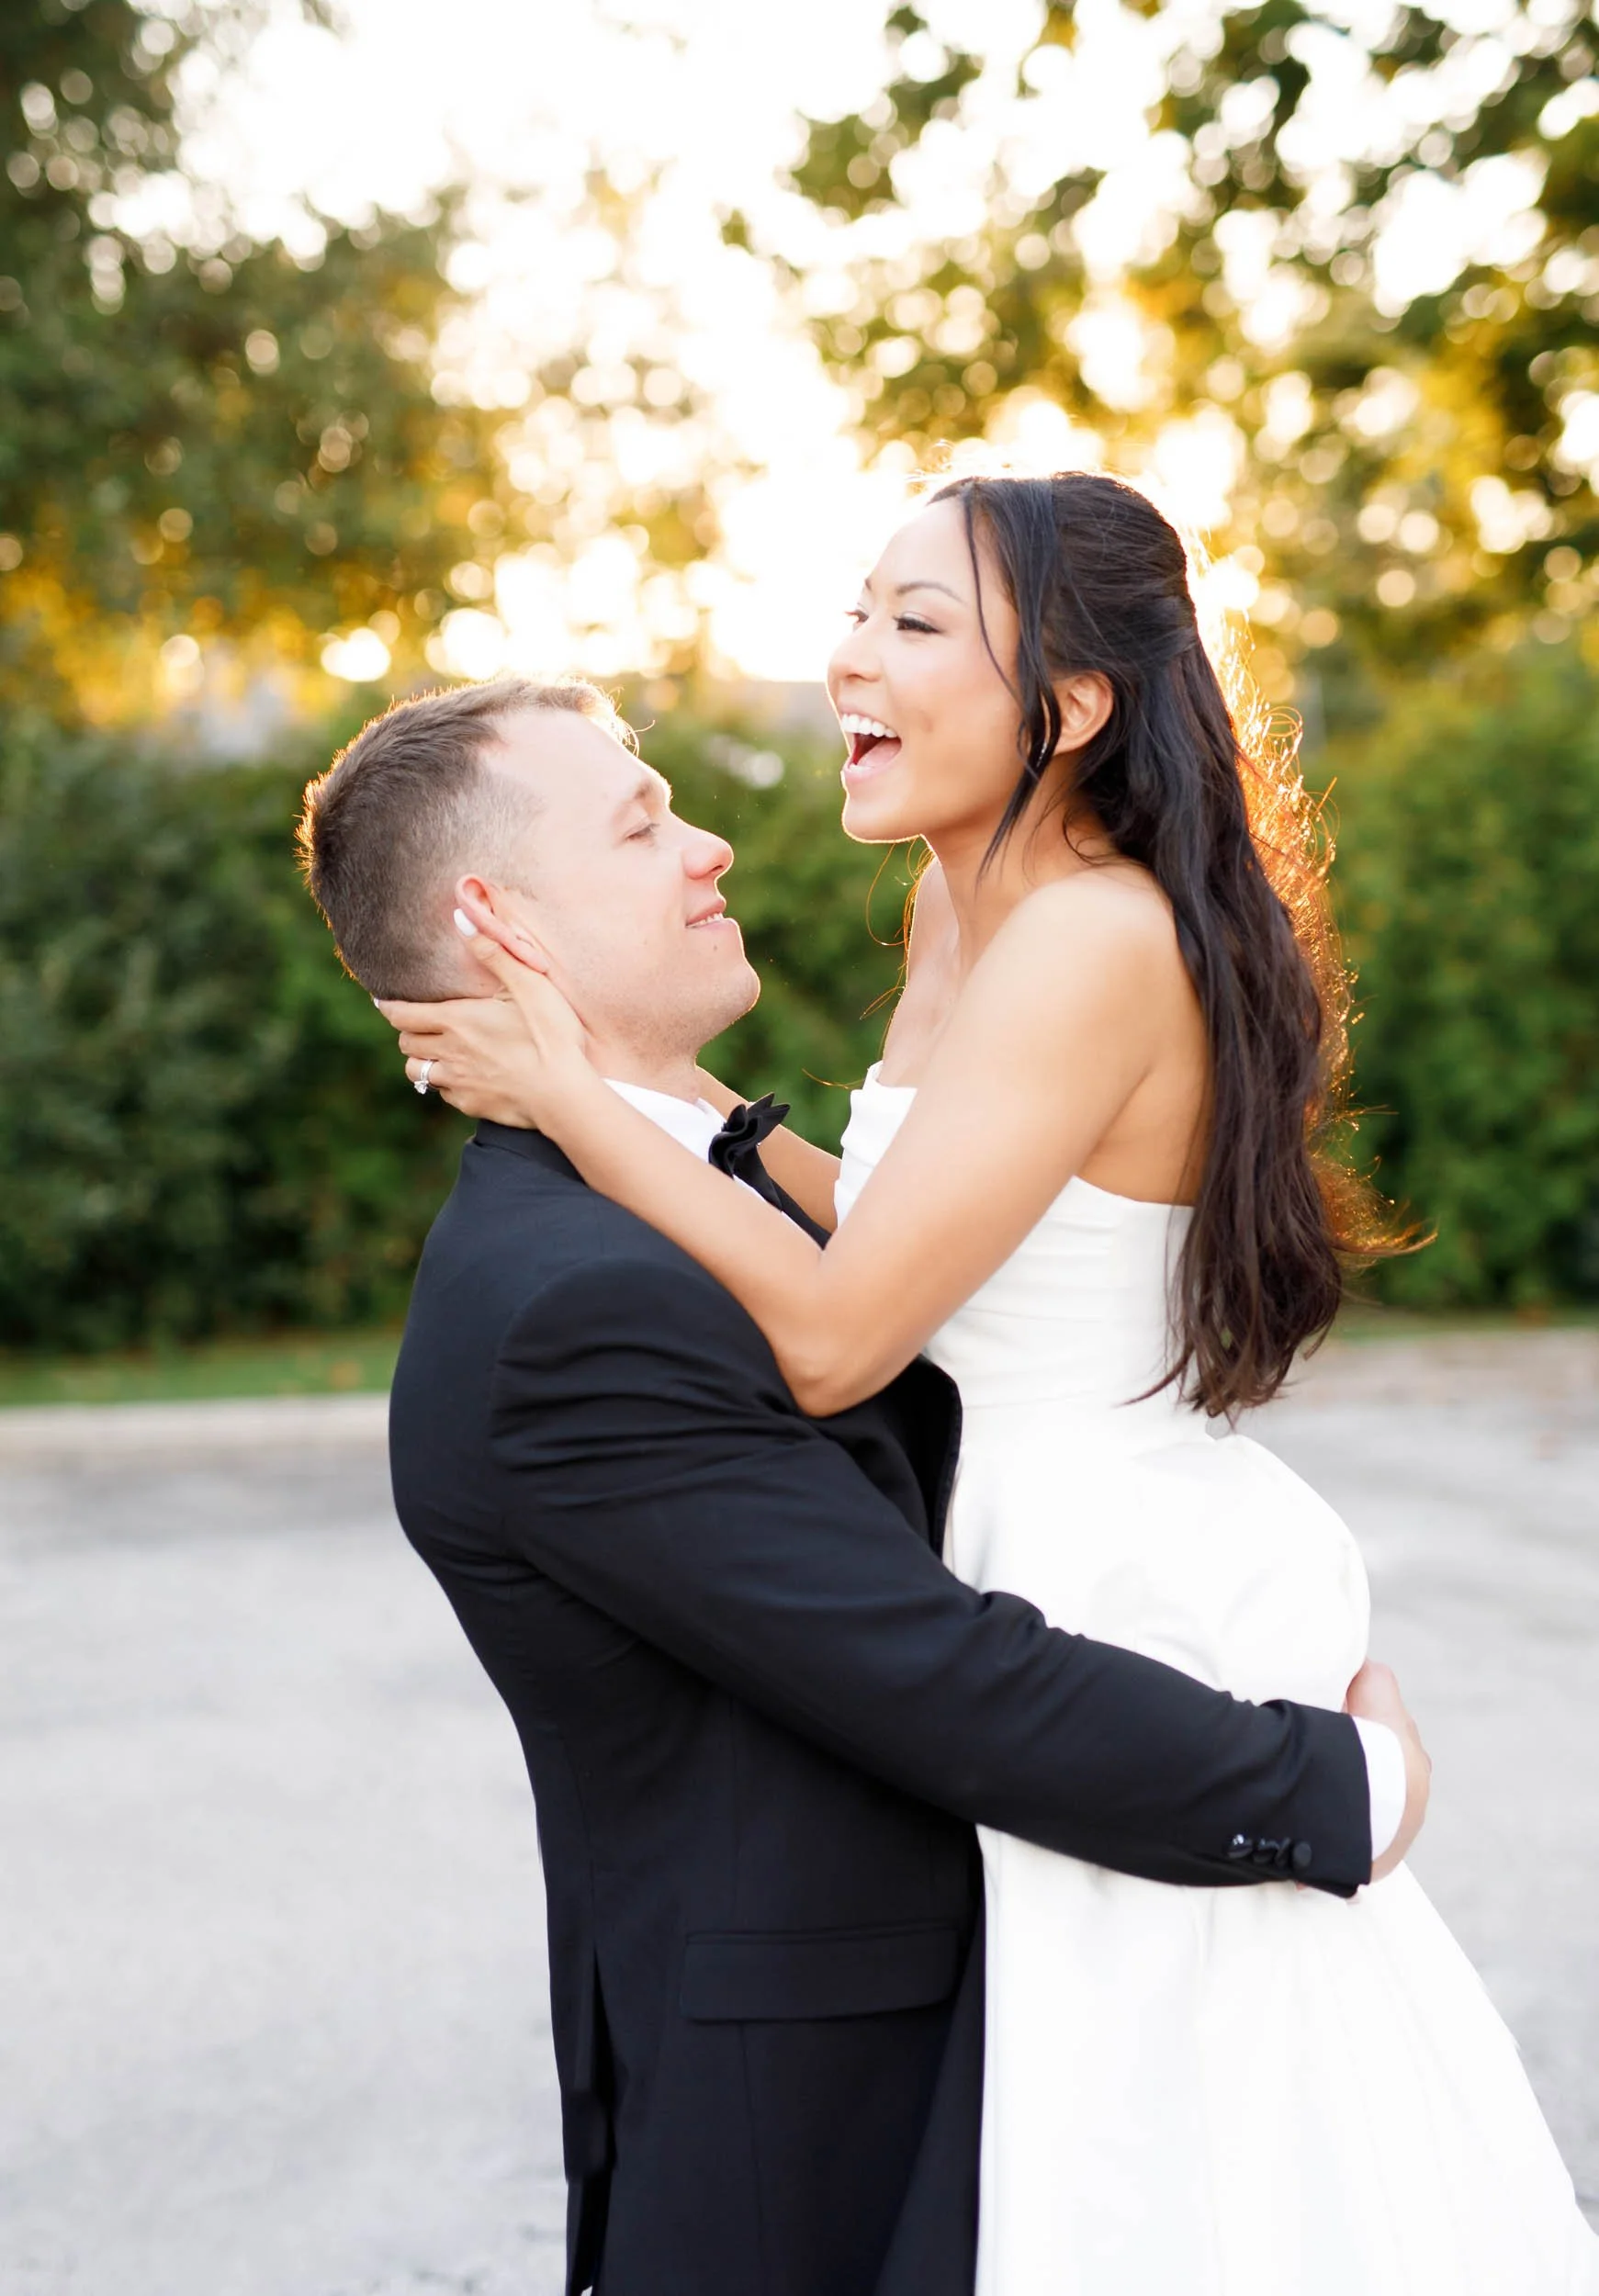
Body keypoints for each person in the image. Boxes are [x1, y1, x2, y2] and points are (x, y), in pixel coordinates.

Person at [382, 476, 1598, 2295]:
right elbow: (910, 1220)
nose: (848, 656)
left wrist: (575, 1097)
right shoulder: (963, 920)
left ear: (1074, 702)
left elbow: (838, 1334)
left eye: (914, 621)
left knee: (1185, 2139)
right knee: (1077, 2132)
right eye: (857, 610)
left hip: (1113, 1555)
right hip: (1014, 1512)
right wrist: (695, 1116)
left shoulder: (1094, 940)